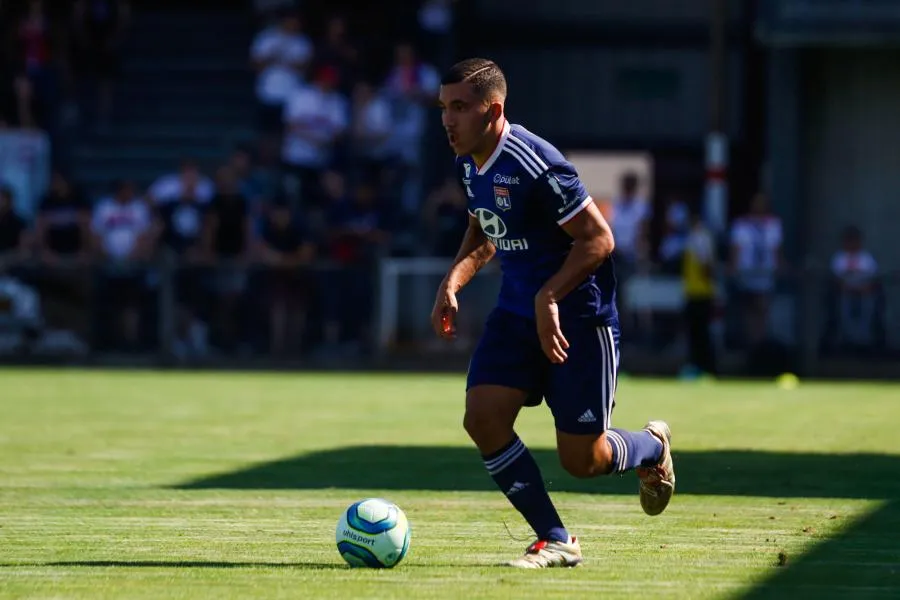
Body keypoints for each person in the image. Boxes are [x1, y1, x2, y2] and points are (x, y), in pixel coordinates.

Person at [431, 58, 675, 568]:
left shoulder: (535, 163)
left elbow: (598, 240)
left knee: (583, 460)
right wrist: (453, 281)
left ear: (493, 111)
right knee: (483, 418)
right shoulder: (468, 162)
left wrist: (549, 298)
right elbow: (484, 228)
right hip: (517, 313)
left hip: (580, 318)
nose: (448, 120)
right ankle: (556, 537)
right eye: (443, 108)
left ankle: (651, 448)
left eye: (459, 108)